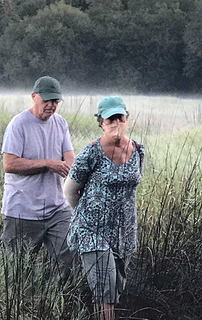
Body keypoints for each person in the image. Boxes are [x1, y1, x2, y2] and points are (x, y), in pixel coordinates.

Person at [63, 96, 144, 320]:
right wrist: (87, 215)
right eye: (110, 119)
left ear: (127, 118)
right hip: (93, 231)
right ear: (101, 123)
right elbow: (70, 190)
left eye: (120, 117)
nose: (116, 123)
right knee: (104, 289)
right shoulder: (90, 153)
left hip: (125, 232)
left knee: (115, 287)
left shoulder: (137, 150)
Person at [0, 75, 75, 273]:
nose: (51, 105)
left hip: (57, 209)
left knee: (68, 259)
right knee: (18, 271)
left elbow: (70, 158)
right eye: (47, 100)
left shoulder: (60, 123)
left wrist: (70, 169)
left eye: (55, 101)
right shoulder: (19, 124)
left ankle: (56, 300)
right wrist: (47, 164)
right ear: (34, 97)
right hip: (22, 210)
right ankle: (25, 303)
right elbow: (9, 164)